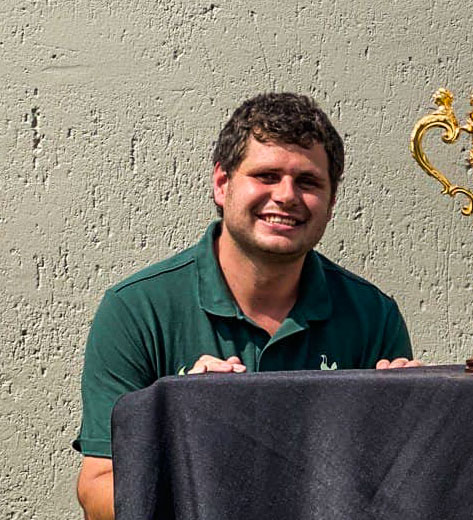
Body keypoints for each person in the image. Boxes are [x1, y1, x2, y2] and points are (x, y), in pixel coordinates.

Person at [74, 92, 420, 520]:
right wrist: (184, 422)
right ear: (222, 183)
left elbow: (398, 493)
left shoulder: (373, 315)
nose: (287, 196)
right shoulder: (137, 309)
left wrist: (412, 420)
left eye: (308, 182)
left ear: (331, 202)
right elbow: (96, 492)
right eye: (267, 175)